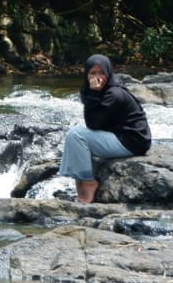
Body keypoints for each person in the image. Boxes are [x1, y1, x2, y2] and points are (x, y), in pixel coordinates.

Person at [60, 53, 151, 203]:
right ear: (86, 74)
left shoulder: (113, 94)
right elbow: (98, 123)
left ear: (109, 73)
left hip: (132, 142)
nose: (98, 77)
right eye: (93, 73)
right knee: (74, 138)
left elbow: (93, 124)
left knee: (76, 135)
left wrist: (94, 93)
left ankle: (89, 182)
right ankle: (80, 180)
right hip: (120, 136)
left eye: (102, 73)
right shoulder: (101, 91)